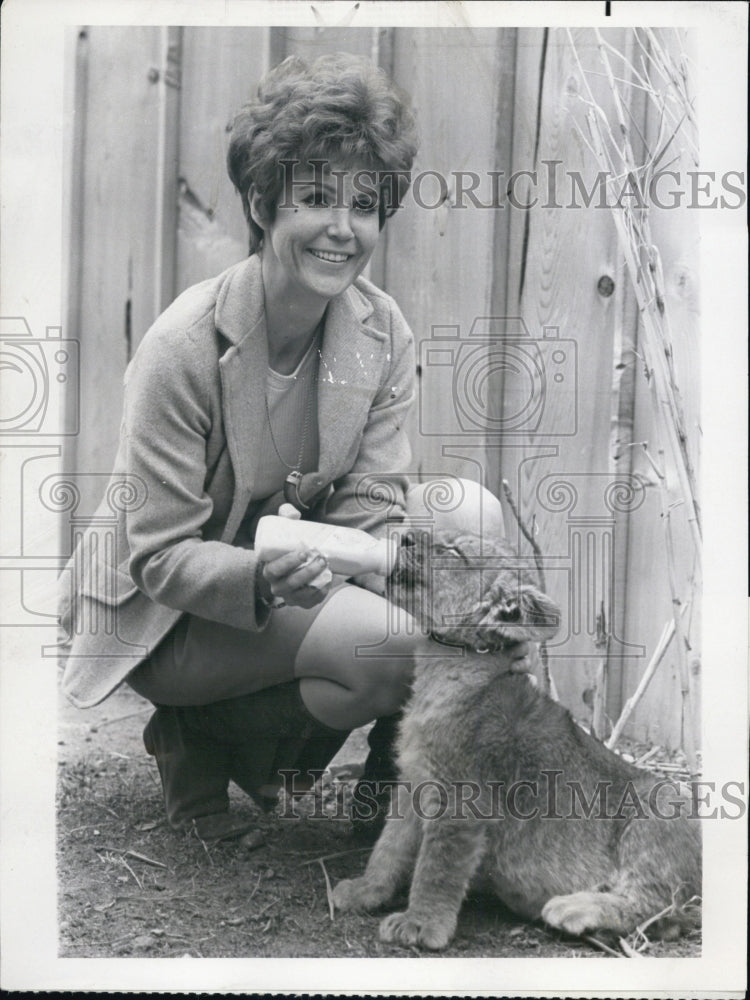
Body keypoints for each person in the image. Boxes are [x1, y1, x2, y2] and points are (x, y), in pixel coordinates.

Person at [60, 53, 530, 842]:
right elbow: (159, 555)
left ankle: (392, 778)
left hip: (296, 566)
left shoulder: (378, 331)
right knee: (393, 655)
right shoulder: (184, 345)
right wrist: (273, 576)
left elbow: (375, 500)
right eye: (317, 198)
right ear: (263, 200)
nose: (344, 230)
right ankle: (199, 731)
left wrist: (424, 585)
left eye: (366, 205)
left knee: (469, 521)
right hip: (172, 608)